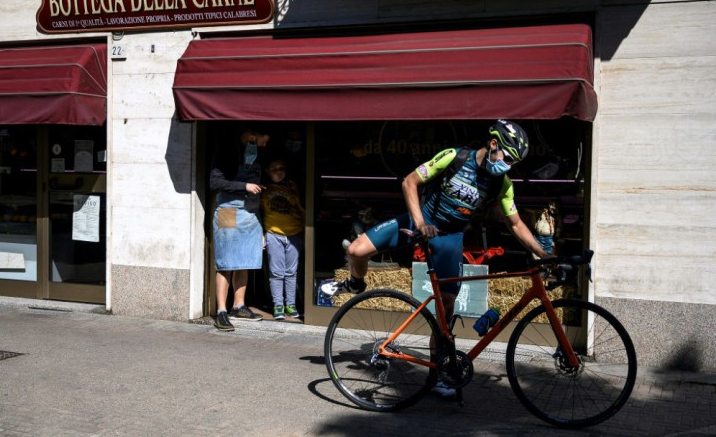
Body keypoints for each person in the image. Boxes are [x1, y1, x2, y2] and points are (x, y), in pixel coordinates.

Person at [320, 119, 549, 396]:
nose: (508, 166)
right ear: (492, 144)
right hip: (419, 221)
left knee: (446, 309)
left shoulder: (502, 183)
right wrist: (419, 223)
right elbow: (409, 182)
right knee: (356, 250)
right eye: (507, 158)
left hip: (450, 238)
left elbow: (515, 224)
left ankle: (439, 374)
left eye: (514, 163)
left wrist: (543, 253)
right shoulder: (455, 156)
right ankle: (356, 283)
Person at [210, 127, 270, 331]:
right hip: (229, 210)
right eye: (262, 140)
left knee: (244, 259)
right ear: (252, 134)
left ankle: (239, 305)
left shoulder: (255, 153)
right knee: (226, 262)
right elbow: (215, 182)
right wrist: (244, 187)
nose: (263, 145)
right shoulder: (227, 150)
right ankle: (221, 311)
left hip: (251, 212)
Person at [260, 157, 305, 320]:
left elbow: (303, 212)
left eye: (282, 169)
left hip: (294, 233)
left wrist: (296, 193)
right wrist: (261, 235)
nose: (279, 172)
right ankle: (278, 305)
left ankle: (290, 304)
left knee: (291, 272)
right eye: (275, 169)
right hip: (274, 233)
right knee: (276, 272)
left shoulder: (292, 188)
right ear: (267, 171)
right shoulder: (264, 189)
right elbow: (258, 213)